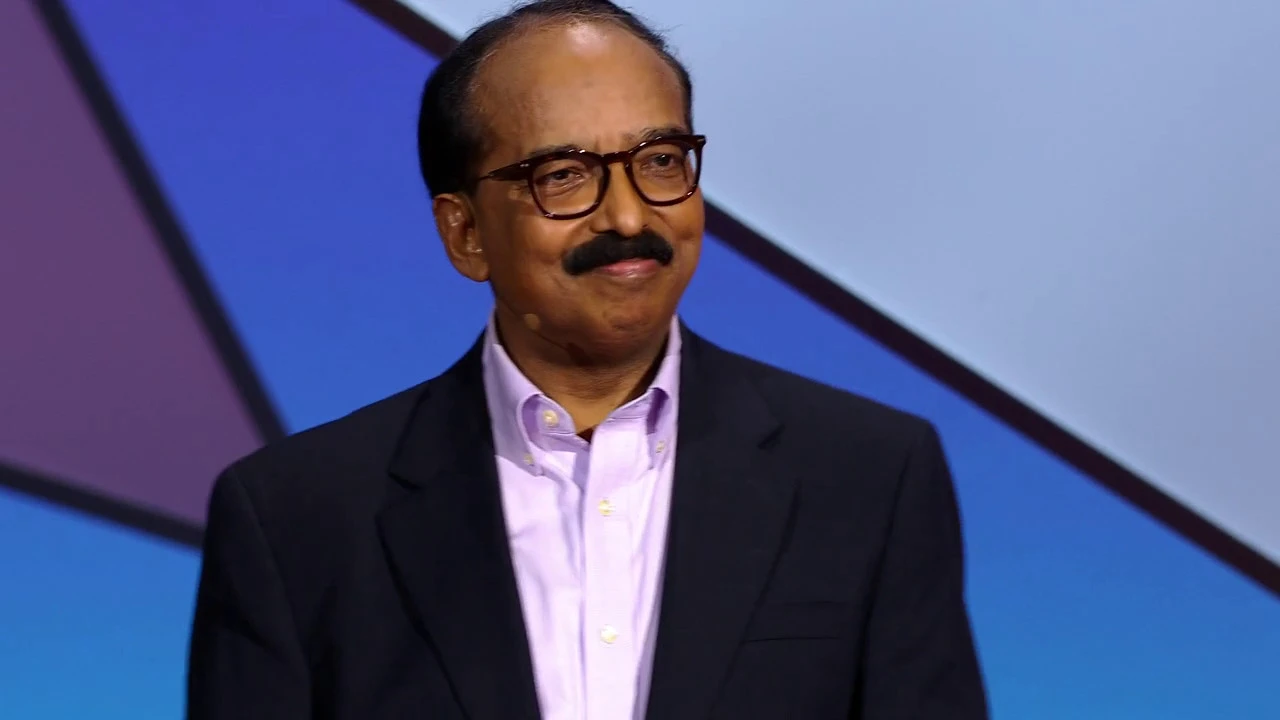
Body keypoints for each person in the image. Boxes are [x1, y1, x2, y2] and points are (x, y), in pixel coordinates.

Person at [185, 1, 989, 718]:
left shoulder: (871, 478)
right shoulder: (296, 519)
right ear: (465, 233)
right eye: (564, 176)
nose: (630, 216)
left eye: (661, 160)